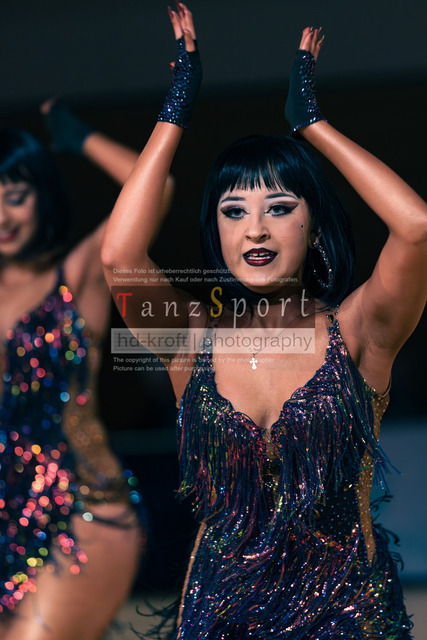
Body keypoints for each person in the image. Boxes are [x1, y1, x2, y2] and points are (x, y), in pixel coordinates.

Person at [101, 4, 427, 639]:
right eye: (234, 211)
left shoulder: (359, 331)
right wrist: (177, 107)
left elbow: (415, 229)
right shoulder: (189, 341)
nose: (254, 229)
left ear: (314, 227)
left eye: (279, 207)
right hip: (218, 620)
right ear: (217, 231)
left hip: (344, 619)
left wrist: (312, 124)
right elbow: (119, 256)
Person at [0, 102, 174, 639]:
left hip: (85, 516)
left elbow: (159, 188)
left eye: (15, 196)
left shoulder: (76, 276)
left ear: (42, 195)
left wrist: (80, 139)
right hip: (8, 525)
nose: (2, 216)